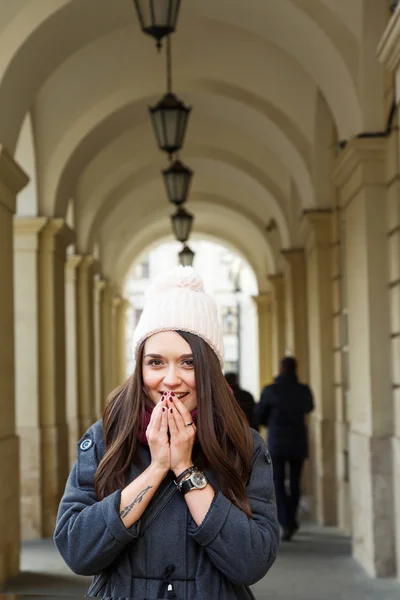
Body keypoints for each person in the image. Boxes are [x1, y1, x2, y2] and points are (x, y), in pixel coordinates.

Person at [54, 266, 279, 600]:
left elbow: (252, 562)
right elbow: (78, 550)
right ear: (140, 367)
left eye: (188, 363)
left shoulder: (243, 443)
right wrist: (158, 466)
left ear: (210, 369)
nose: (170, 379)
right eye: (156, 362)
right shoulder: (107, 438)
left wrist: (185, 469)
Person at [255, 356, 314, 542]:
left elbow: (260, 415)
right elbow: (309, 407)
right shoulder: (303, 390)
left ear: (280, 369)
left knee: (278, 482)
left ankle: (285, 521)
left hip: (277, 444)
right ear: (295, 369)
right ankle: (292, 517)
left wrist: (272, 422)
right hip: (298, 441)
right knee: (295, 482)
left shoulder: (270, 390)